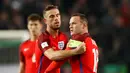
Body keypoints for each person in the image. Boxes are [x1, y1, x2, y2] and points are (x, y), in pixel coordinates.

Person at [35, 5, 86, 73]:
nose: (56, 18)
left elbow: (69, 53)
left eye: (57, 15)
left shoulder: (64, 37)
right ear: (45, 21)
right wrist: (75, 51)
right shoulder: (42, 38)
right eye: (52, 16)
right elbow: (52, 55)